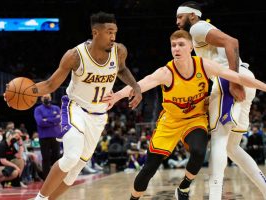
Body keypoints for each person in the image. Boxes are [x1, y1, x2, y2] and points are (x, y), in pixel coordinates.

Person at [102, 30, 266, 200]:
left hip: (195, 119)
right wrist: (116, 96)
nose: (176, 49)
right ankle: (133, 198)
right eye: (173, 45)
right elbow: (140, 84)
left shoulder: (204, 65)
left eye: (181, 45)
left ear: (190, 48)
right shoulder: (165, 72)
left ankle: (184, 186)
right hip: (170, 121)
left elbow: (237, 77)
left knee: (198, 151)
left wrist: (264, 86)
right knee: (149, 169)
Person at [3, 11, 142, 200]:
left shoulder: (119, 51)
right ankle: (39, 199)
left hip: (99, 116)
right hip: (74, 108)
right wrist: (26, 92)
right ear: (95, 33)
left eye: (115, 32)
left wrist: (136, 87)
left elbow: (122, 69)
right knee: (71, 157)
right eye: (109, 32)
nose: (113, 37)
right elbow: (51, 84)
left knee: (75, 169)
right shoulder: (75, 56)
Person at [176, 2, 266, 199]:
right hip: (242, 77)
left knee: (218, 138)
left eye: (179, 17)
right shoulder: (198, 35)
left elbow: (232, 42)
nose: (177, 22)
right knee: (232, 147)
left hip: (230, 79)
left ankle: (214, 196)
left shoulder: (197, 27)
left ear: (192, 15)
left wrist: (233, 81)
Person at [34, 93, 61, 179]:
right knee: (46, 158)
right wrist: (53, 120)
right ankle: (46, 178)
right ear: (41, 99)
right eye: (44, 97)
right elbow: (40, 122)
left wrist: (46, 119)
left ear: (51, 98)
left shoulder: (56, 108)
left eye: (47, 97)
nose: (46, 98)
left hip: (56, 136)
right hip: (44, 137)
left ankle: (56, 177)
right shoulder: (38, 109)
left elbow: (59, 119)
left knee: (56, 157)